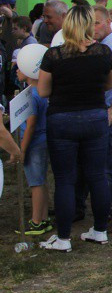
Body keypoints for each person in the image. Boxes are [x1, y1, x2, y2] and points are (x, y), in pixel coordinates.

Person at [37, 4, 112, 252]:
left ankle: (63, 237)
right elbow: (108, 84)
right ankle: (101, 230)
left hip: (62, 119)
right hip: (94, 116)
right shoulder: (103, 52)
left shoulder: (54, 55)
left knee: (65, 180)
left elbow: (43, 91)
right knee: (97, 175)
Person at [78, 7, 112, 233]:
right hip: (101, 110)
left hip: (110, 112)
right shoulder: (103, 45)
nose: (93, 28)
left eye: (97, 23)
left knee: (110, 164)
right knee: (103, 164)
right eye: (89, 24)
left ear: (109, 21)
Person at [16, 45, 52, 236]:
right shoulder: (42, 90)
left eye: (19, 67)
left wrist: (22, 149)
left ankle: (36, 221)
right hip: (44, 139)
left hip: (35, 141)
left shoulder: (31, 95)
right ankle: (44, 218)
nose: (16, 70)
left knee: (35, 183)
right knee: (41, 181)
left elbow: (30, 125)